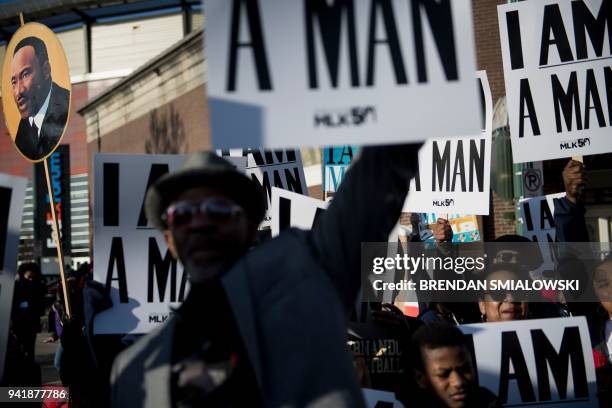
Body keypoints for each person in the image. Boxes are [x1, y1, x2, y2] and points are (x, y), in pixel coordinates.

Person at [110, 145, 422, 407]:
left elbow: (380, 174)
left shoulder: (306, 272)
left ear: (247, 227)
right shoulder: (132, 369)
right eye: (183, 214)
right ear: (169, 239)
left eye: (217, 210)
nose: (199, 223)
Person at [404, 323, 499, 407]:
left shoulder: (487, 402)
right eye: (444, 374)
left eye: (465, 369)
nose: (458, 382)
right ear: (420, 378)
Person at [10, 36, 70, 161]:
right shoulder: (22, 132)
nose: (18, 91)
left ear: (46, 70)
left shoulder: (66, 105)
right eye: (14, 82)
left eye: (25, 74)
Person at [11, 262, 46, 360]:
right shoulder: (17, 287)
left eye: (32, 278)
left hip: (31, 323)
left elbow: (40, 304)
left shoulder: (36, 286)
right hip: (19, 322)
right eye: (29, 277)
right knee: (20, 348)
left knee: (30, 349)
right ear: (23, 274)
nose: (31, 280)